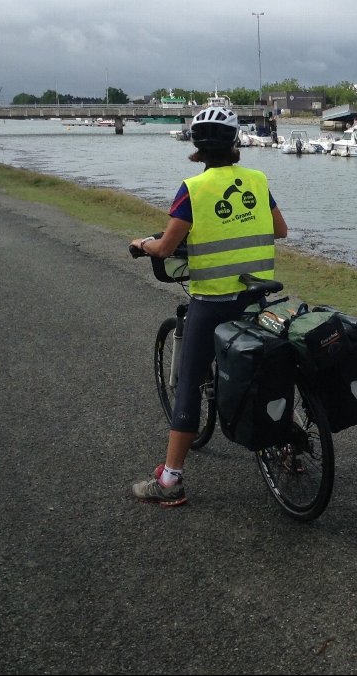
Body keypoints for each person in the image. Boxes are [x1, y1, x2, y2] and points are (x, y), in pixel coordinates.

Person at [129, 105, 287, 506]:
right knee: (266, 368)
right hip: (256, 295)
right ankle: (286, 446)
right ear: (235, 143)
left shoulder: (192, 189)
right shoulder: (256, 179)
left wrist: (141, 244)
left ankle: (170, 481)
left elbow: (166, 247)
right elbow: (280, 230)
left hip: (212, 302)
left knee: (188, 387)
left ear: (196, 149)